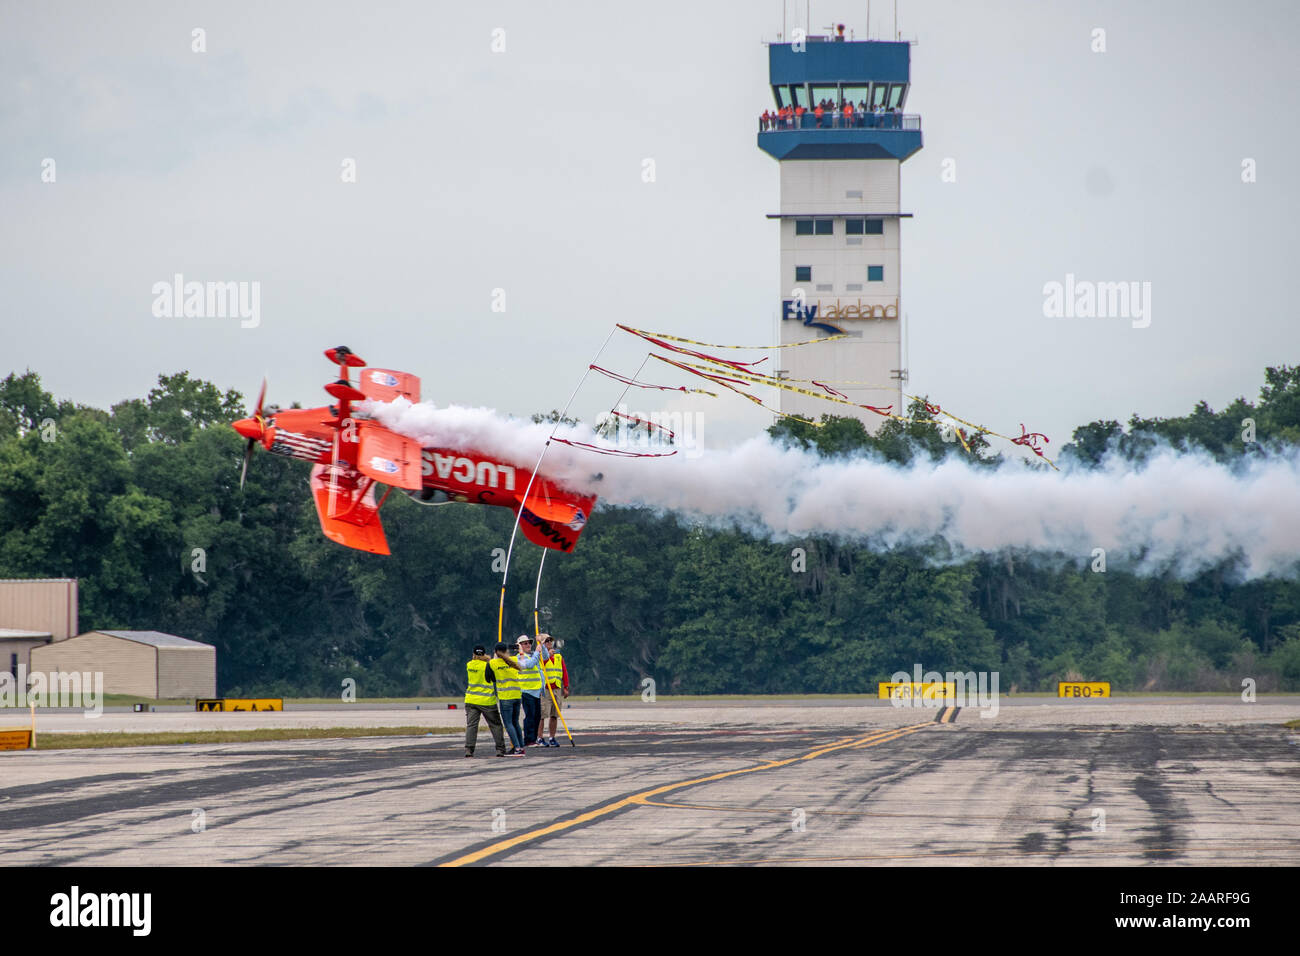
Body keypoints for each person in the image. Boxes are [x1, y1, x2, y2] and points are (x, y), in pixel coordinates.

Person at [463, 644, 507, 758]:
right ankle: (500, 749)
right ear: (484, 654)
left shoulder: (469, 665)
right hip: (487, 700)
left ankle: (469, 749)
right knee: (495, 725)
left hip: (471, 699)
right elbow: (494, 677)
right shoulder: (489, 665)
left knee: (471, 726)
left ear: (473, 654)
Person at [491, 642, 526, 755]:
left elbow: (490, 677)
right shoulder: (513, 660)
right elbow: (523, 664)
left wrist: (495, 656)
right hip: (517, 695)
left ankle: (516, 747)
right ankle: (521, 746)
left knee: (508, 723)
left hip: (505, 697)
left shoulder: (493, 663)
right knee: (515, 722)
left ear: (496, 652)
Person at [514, 634, 547, 747]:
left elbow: (546, 657)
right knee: (530, 716)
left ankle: (534, 738)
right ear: (520, 646)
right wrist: (537, 652)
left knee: (537, 716)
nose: (528, 645)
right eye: (525, 643)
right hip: (527, 690)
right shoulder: (519, 657)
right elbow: (529, 665)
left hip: (537, 690)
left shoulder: (534, 654)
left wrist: (541, 644)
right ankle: (528, 740)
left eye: (529, 643)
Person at [539, 633, 568, 747]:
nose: (549, 643)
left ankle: (552, 737)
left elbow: (564, 672)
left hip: (556, 688)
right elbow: (541, 666)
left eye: (550, 641)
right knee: (542, 714)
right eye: (546, 641)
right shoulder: (539, 655)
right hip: (545, 689)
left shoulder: (558, 656)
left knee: (554, 715)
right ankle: (540, 737)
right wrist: (547, 656)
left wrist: (565, 687)